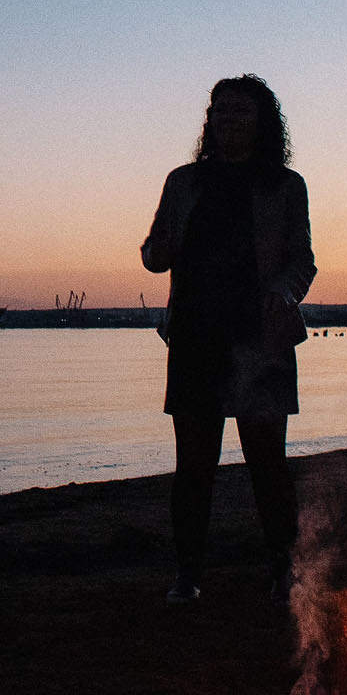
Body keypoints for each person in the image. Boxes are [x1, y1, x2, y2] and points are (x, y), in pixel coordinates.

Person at [140, 76, 317, 605]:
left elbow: (301, 261)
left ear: (263, 122)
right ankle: (187, 576)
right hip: (196, 338)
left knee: (268, 466)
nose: (227, 120)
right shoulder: (183, 182)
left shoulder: (286, 186)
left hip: (260, 343)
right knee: (193, 466)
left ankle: (283, 571)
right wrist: (160, 245)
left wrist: (284, 292)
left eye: (241, 111)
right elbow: (153, 257)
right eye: (219, 111)